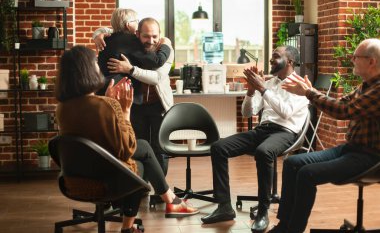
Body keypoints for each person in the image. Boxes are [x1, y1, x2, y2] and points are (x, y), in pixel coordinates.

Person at [55, 46, 198, 233]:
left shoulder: (62, 109)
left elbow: (93, 140)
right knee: (141, 160)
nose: (98, 67)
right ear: (87, 70)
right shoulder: (106, 105)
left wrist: (108, 103)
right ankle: (131, 225)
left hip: (74, 180)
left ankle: (169, 202)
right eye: (95, 63)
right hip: (103, 181)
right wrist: (125, 111)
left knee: (144, 149)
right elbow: (126, 149)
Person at [268, 38, 380, 233]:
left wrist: (309, 93)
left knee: (306, 173)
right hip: (351, 149)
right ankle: (284, 226)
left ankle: (294, 230)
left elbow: (344, 111)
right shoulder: (366, 86)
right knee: (292, 163)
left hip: (371, 157)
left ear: (372, 61)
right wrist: (310, 91)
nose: (352, 59)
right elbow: (341, 102)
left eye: (356, 57)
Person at [201, 46, 309, 233]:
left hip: (286, 132)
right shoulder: (270, 82)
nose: (271, 60)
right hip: (262, 130)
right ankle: (224, 207)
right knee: (219, 147)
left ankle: (263, 212)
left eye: (276, 56)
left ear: (290, 62)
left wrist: (262, 88)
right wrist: (251, 92)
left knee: (264, 151)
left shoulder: (300, 84)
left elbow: (285, 112)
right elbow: (247, 113)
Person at [94, 13, 173, 175]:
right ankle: (141, 186)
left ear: (160, 35)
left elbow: (156, 78)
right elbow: (114, 30)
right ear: (137, 34)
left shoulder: (166, 50)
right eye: (146, 36)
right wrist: (98, 34)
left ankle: (161, 190)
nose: (150, 41)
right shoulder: (132, 44)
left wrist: (129, 69)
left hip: (159, 105)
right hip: (136, 106)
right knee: (137, 147)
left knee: (160, 149)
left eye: (154, 36)